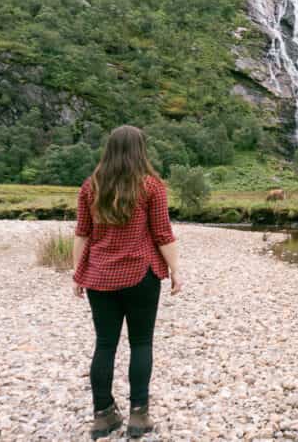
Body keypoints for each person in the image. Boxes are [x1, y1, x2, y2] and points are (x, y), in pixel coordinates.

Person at [72, 125, 183, 439]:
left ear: (109, 150)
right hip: (141, 275)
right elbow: (162, 233)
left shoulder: (90, 187)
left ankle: (103, 415)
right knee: (141, 343)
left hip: (99, 277)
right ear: (140, 150)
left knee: (105, 344)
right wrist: (176, 270)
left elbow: (82, 233)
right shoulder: (151, 186)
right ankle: (138, 416)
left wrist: (76, 272)